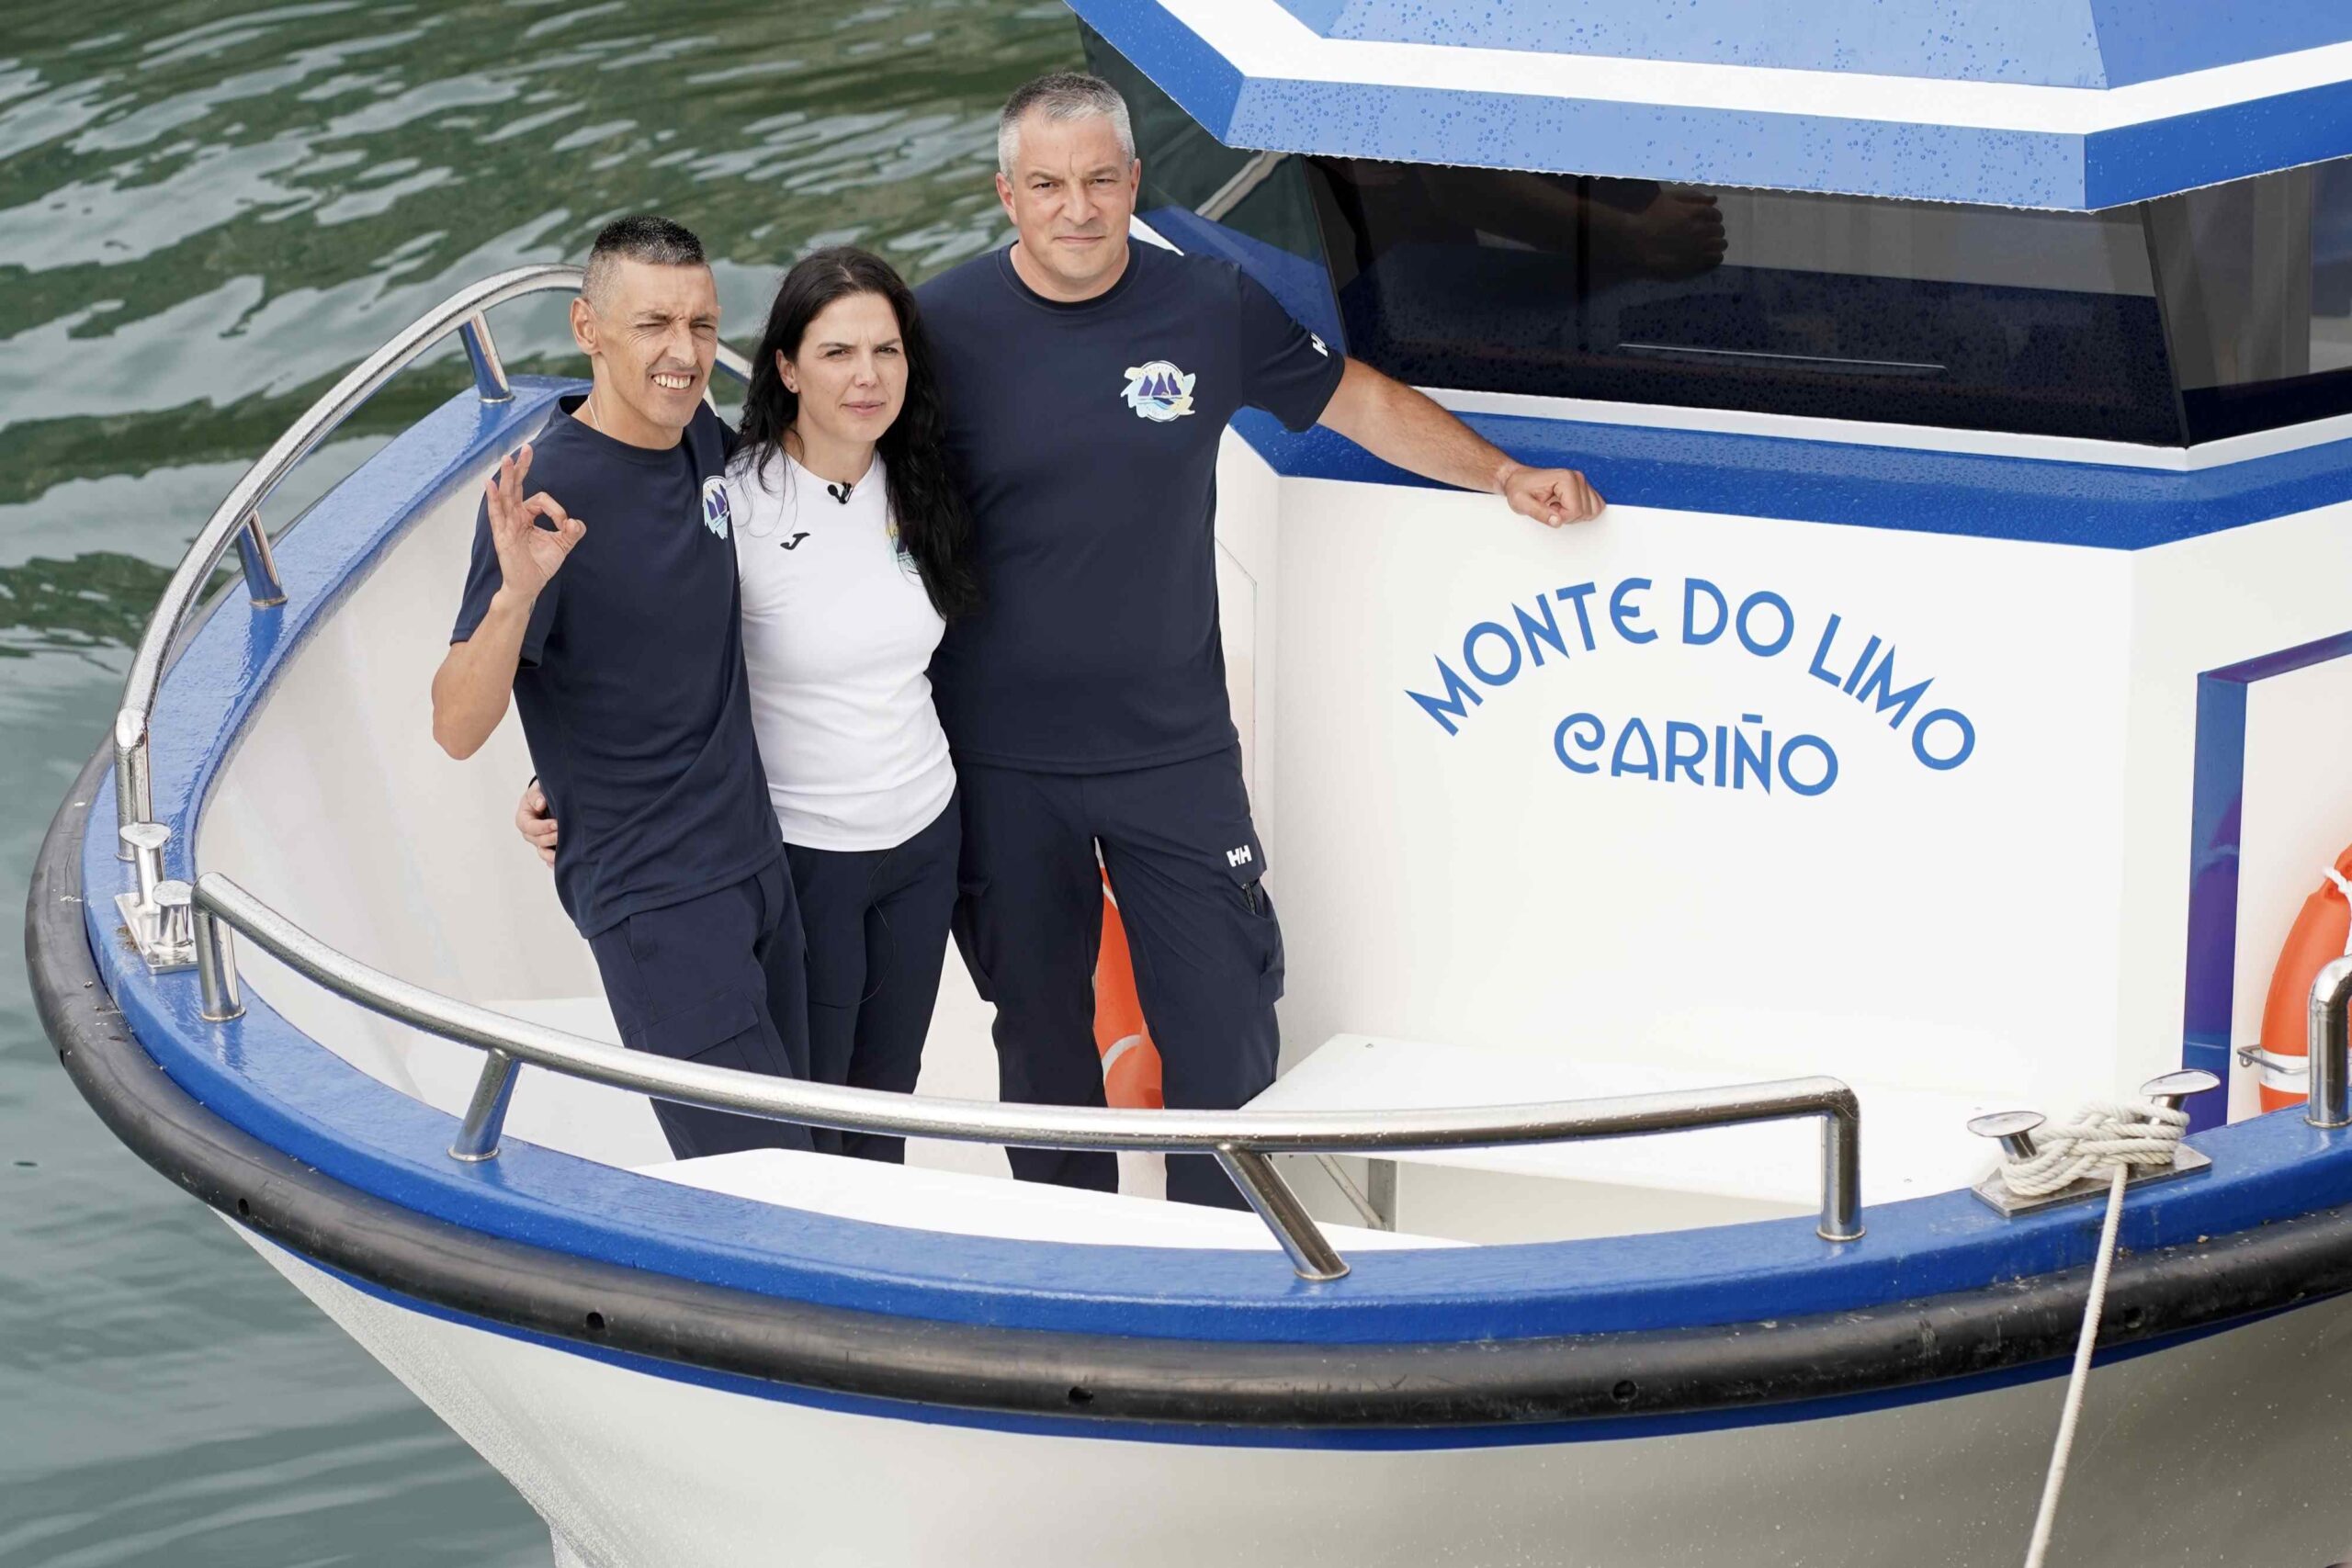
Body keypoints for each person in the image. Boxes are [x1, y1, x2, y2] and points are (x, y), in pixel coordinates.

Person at [914, 73, 1607, 1209]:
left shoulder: (1211, 306)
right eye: (1047, 184)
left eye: (1099, 180)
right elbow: (811, 498)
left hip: (1172, 755)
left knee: (1228, 1029)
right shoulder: (933, 330)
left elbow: (1357, 401)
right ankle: (1069, 1258)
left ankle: (1217, 1261)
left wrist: (1500, 471)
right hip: (1000, 760)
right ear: (1006, 196)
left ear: (1134, 182)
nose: (1076, 208)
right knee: (1038, 1041)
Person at [519, 248, 978, 1164]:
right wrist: (559, 779)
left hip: (925, 837)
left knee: (888, 1102)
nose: (866, 376)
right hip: (808, 854)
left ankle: (875, 1272)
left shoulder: (923, 479)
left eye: (886, 352)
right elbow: (658, 650)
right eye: (837, 352)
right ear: (785, 366)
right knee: (813, 1120)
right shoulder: (736, 497)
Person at [434, 215, 813, 1163]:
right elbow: (454, 723)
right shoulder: (549, 498)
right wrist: (519, 592)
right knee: (764, 1190)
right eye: (652, 326)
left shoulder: (695, 442)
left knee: (815, 1157)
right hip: (658, 904)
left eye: (700, 323)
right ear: (587, 328)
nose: (683, 355)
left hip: (761, 872)